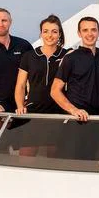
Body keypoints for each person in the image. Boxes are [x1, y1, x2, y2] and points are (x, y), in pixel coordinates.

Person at [50, 16, 99, 159]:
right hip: (75, 120)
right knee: (69, 160)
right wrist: (74, 110)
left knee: (89, 158)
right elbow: (55, 90)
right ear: (79, 33)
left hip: (96, 120)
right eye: (85, 30)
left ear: (98, 32)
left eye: (93, 30)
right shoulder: (71, 58)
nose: (89, 34)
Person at [14, 15, 69, 157]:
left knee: (54, 155)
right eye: (46, 31)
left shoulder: (67, 55)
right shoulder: (29, 56)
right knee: (26, 154)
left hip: (58, 111)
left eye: (54, 31)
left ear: (60, 34)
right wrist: (20, 105)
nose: (50, 35)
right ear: (41, 34)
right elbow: (20, 85)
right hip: (33, 111)